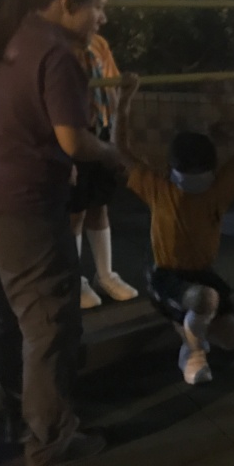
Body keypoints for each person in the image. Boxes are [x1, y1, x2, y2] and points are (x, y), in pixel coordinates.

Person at [0, 0, 122, 466]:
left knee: (7, 322)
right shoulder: (56, 53)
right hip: (21, 211)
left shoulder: (7, 35)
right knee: (48, 327)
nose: (102, 19)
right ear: (68, 4)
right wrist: (111, 152)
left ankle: (20, 420)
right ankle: (49, 441)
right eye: (97, 7)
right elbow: (73, 140)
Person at [112, 77, 234, 385]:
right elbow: (121, 149)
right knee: (205, 299)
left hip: (202, 273)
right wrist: (123, 102)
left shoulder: (218, 189)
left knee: (232, 339)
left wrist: (223, 106)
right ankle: (192, 351)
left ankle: (190, 327)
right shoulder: (160, 189)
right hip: (167, 274)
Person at [70, 33, 139, 309]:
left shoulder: (98, 44)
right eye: (96, 11)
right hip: (73, 133)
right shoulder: (57, 47)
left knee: (99, 205)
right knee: (74, 211)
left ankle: (105, 274)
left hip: (100, 127)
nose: (101, 17)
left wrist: (113, 130)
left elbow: (111, 83)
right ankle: (74, 279)